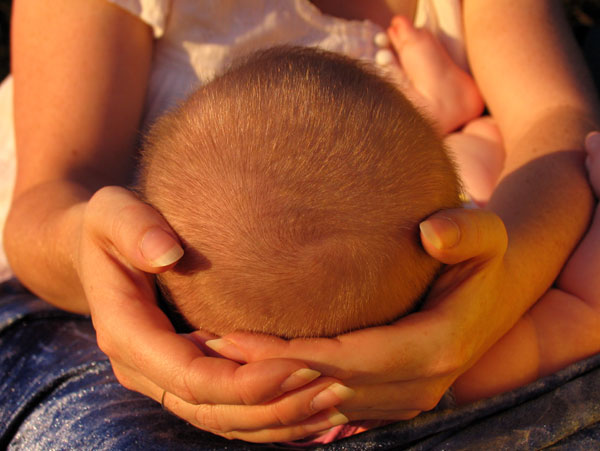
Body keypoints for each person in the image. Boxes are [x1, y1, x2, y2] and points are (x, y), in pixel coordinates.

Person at [3, 0, 598, 443]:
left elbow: (555, 119)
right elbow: (45, 198)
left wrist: (488, 307)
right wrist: (498, 307)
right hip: (74, 315)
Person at [138, 45, 463, 339]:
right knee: (476, 154)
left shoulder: (217, 370)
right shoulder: (454, 343)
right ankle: (445, 110)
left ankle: (444, 109)